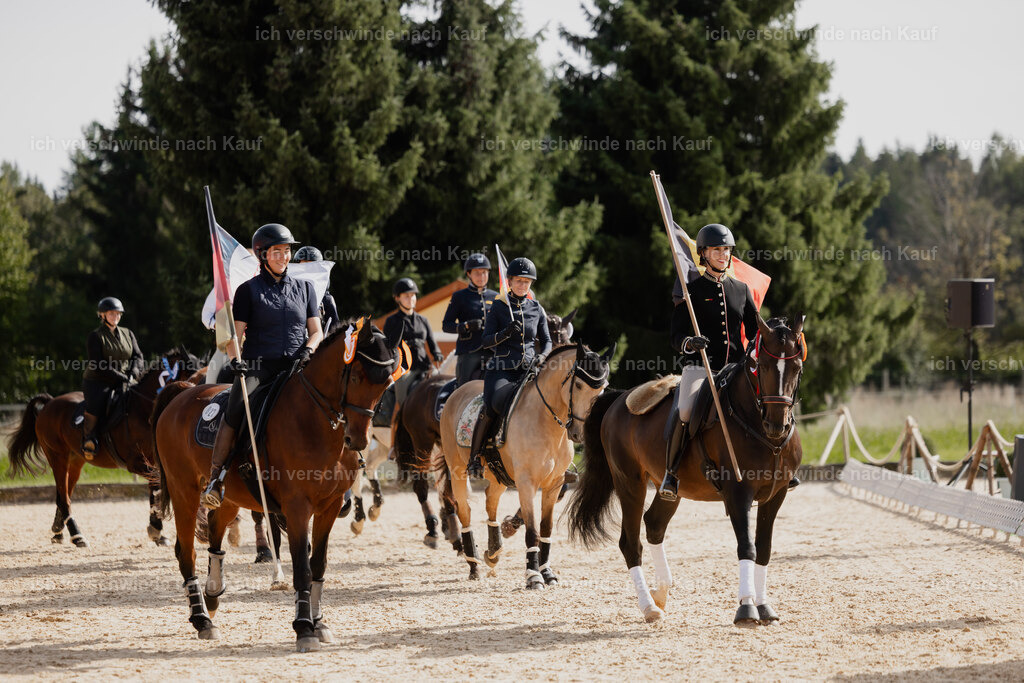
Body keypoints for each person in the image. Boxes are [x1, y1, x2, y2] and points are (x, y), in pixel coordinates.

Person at [201, 223, 324, 509]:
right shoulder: (247, 291)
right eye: (277, 251)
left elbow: (316, 331)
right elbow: (235, 333)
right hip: (259, 366)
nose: (284, 256)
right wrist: (237, 361)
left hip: (296, 366)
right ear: (262, 254)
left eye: (287, 251)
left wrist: (308, 350)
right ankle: (216, 478)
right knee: (235, 408)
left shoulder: (305, 289)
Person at [660, 223, 772, 500]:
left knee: (770, 401)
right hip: (701, 367)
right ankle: (671, 474)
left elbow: (756, 329)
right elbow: (675, 336)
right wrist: (689, 343)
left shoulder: (741, 289)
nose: (723, 255)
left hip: (735, 368)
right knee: (685, 410)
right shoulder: (692, 291)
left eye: (726, 250)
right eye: (716, 250)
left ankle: (779, 465)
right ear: (703, 254)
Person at [468, 257, 551, 478]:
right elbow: (486, 341)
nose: (523, 285)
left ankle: (556, 459)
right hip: (502, 369)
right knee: (491, 405)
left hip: (529, 369)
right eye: (518, 281)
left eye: (527, 281)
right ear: (510, 282)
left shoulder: (537, 308)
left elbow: (547, 340)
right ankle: (475, 457)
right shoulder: (499, 306)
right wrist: (504, 334)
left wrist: (542, 356)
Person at [80, 297, 145, 459]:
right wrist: (122, 377)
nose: (115, 316)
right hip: (98, 380)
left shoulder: (128, 333)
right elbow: (98, 363)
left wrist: (134, 372)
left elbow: (138, 356)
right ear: (102, 315)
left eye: (118, 313)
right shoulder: (95, 336)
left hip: (125, 378)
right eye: (111, 313)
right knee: (98, 403)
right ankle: (90, 439)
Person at [383, 278, 444, 407]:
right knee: (403, 399)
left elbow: (432, 342)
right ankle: (399, 418)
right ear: (397, 298)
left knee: (441, 386)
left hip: (425, 365)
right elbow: (388, 347)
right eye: (406, 296)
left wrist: (437, 353)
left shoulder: (423, 320)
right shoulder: (391, 321)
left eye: (413, 295)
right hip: (404, 368)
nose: (411, 299)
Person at [442, 253, 498, 386]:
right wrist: (465, 326)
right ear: (468, 274)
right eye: (477, 273)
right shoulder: (459, 297)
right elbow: (446, 325)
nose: (481, 276)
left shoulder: (496, 296)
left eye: (484, 272)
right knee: (463, 388)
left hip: (493, 351)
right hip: (469, 351)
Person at [292, 245, 341, 335]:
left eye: (312, 266)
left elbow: (335, 333)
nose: (308, 271)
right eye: (304, 266)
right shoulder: (288, 294)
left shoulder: (326, 300)